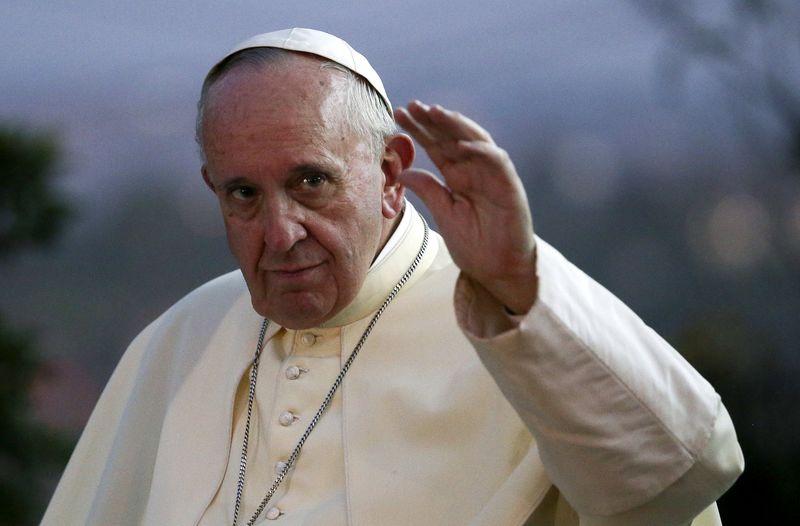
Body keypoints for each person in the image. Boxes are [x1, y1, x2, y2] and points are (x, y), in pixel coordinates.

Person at [42, 28, 743, 525]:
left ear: (387, 174)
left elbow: (682, 478)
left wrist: (521, 282)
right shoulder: (180, 340)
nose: (280, 234)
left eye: (310, 181)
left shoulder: (524, 330)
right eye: (243, 195)